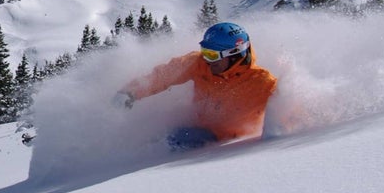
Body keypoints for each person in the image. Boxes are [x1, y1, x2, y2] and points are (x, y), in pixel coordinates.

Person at [113, 22, 277, 150]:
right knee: (155, 139)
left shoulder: (261, 82)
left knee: (171, 143)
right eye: (205, 52)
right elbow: (164, 75)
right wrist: (130, 92)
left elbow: (288, 110)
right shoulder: (199, 63)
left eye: (212, 55)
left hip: (223, 145)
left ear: (235, 54)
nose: (207, 59)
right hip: (195, 128)